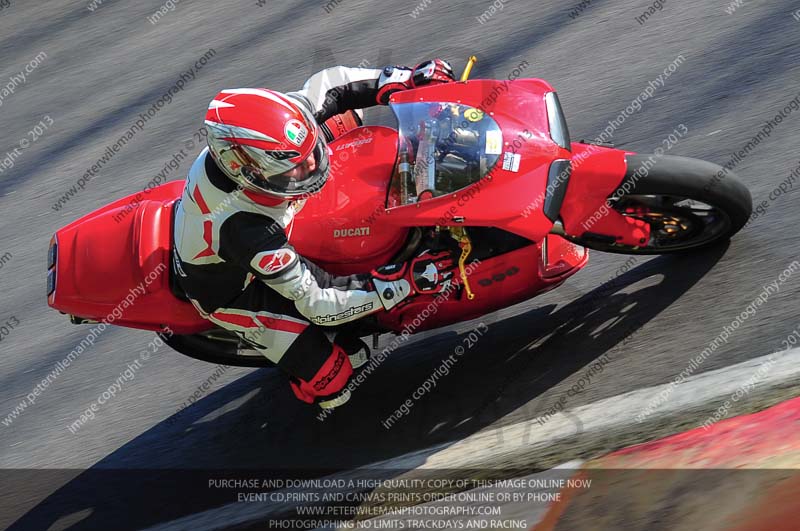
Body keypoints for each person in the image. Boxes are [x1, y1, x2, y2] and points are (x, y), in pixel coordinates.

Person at [173, 59, 457, 408]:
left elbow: (330, 85)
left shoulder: (272, 138)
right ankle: (307, 369)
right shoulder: (245, 229)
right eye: (294, 168)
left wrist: (404, 79)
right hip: (239, 291)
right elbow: (318, 301)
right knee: (335, 381)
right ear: (245, 171)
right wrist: (401, 283)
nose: (311, 166)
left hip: (273, 217)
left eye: (309, 156)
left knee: (344, 118)